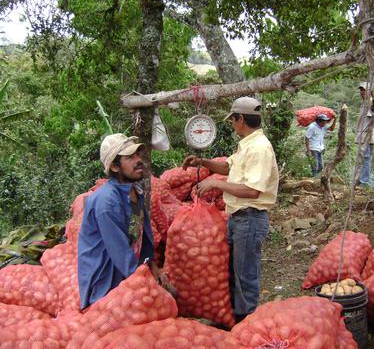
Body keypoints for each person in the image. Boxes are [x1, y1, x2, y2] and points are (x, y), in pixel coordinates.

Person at [183, 96, 279, 323]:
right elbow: (228, 166)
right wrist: (202, 162)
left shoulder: (259, 148)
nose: (232, 124)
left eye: (233, 120)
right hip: (239, 218)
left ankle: (247, 325)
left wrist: (215, 183)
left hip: (250, 218)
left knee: (245, 276)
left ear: (241, 118)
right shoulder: (248, 144)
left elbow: (253, 191)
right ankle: (236, 319)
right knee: (236, 273)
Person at [77, 133, 168, 310]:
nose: (138, 160)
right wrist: (145, 283)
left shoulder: (134, 192)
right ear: (115, 166)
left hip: (126, 274)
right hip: (105, 281)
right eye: (129, 157)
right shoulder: (107, 202)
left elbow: (139, 237)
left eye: (137, 155)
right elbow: (120, 252)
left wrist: (152, 266)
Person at [355, 82, 374, 187]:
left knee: (366, 158)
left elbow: (373, 119)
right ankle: (361, 179)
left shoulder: (371, 103)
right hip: (363, 135)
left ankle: (365, 181)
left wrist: (368, 133)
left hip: (367, 135)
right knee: (362, 158)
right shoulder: (364, 104)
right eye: (361, 90)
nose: (362, 92)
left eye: (364, 90)